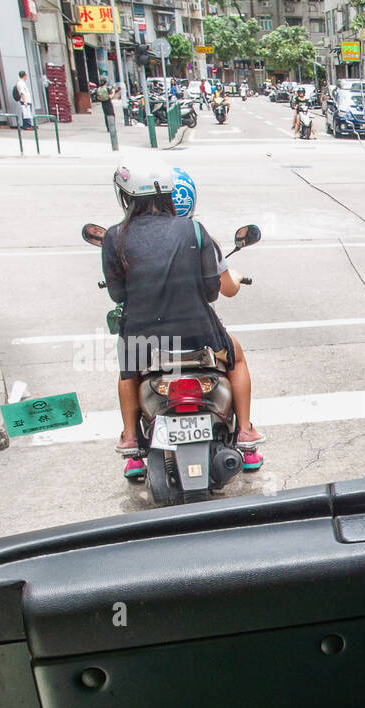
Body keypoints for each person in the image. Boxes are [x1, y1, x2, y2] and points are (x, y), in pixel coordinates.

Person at [102, 162, 264, 481]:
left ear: (126, 196)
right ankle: (245, 433)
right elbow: (212, 290)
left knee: (128, 374)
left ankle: (132, 442)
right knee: (238, 358)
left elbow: (117, 294)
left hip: (142, 337)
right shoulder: (193, 230)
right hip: (198, 333)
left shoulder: (113, 236)